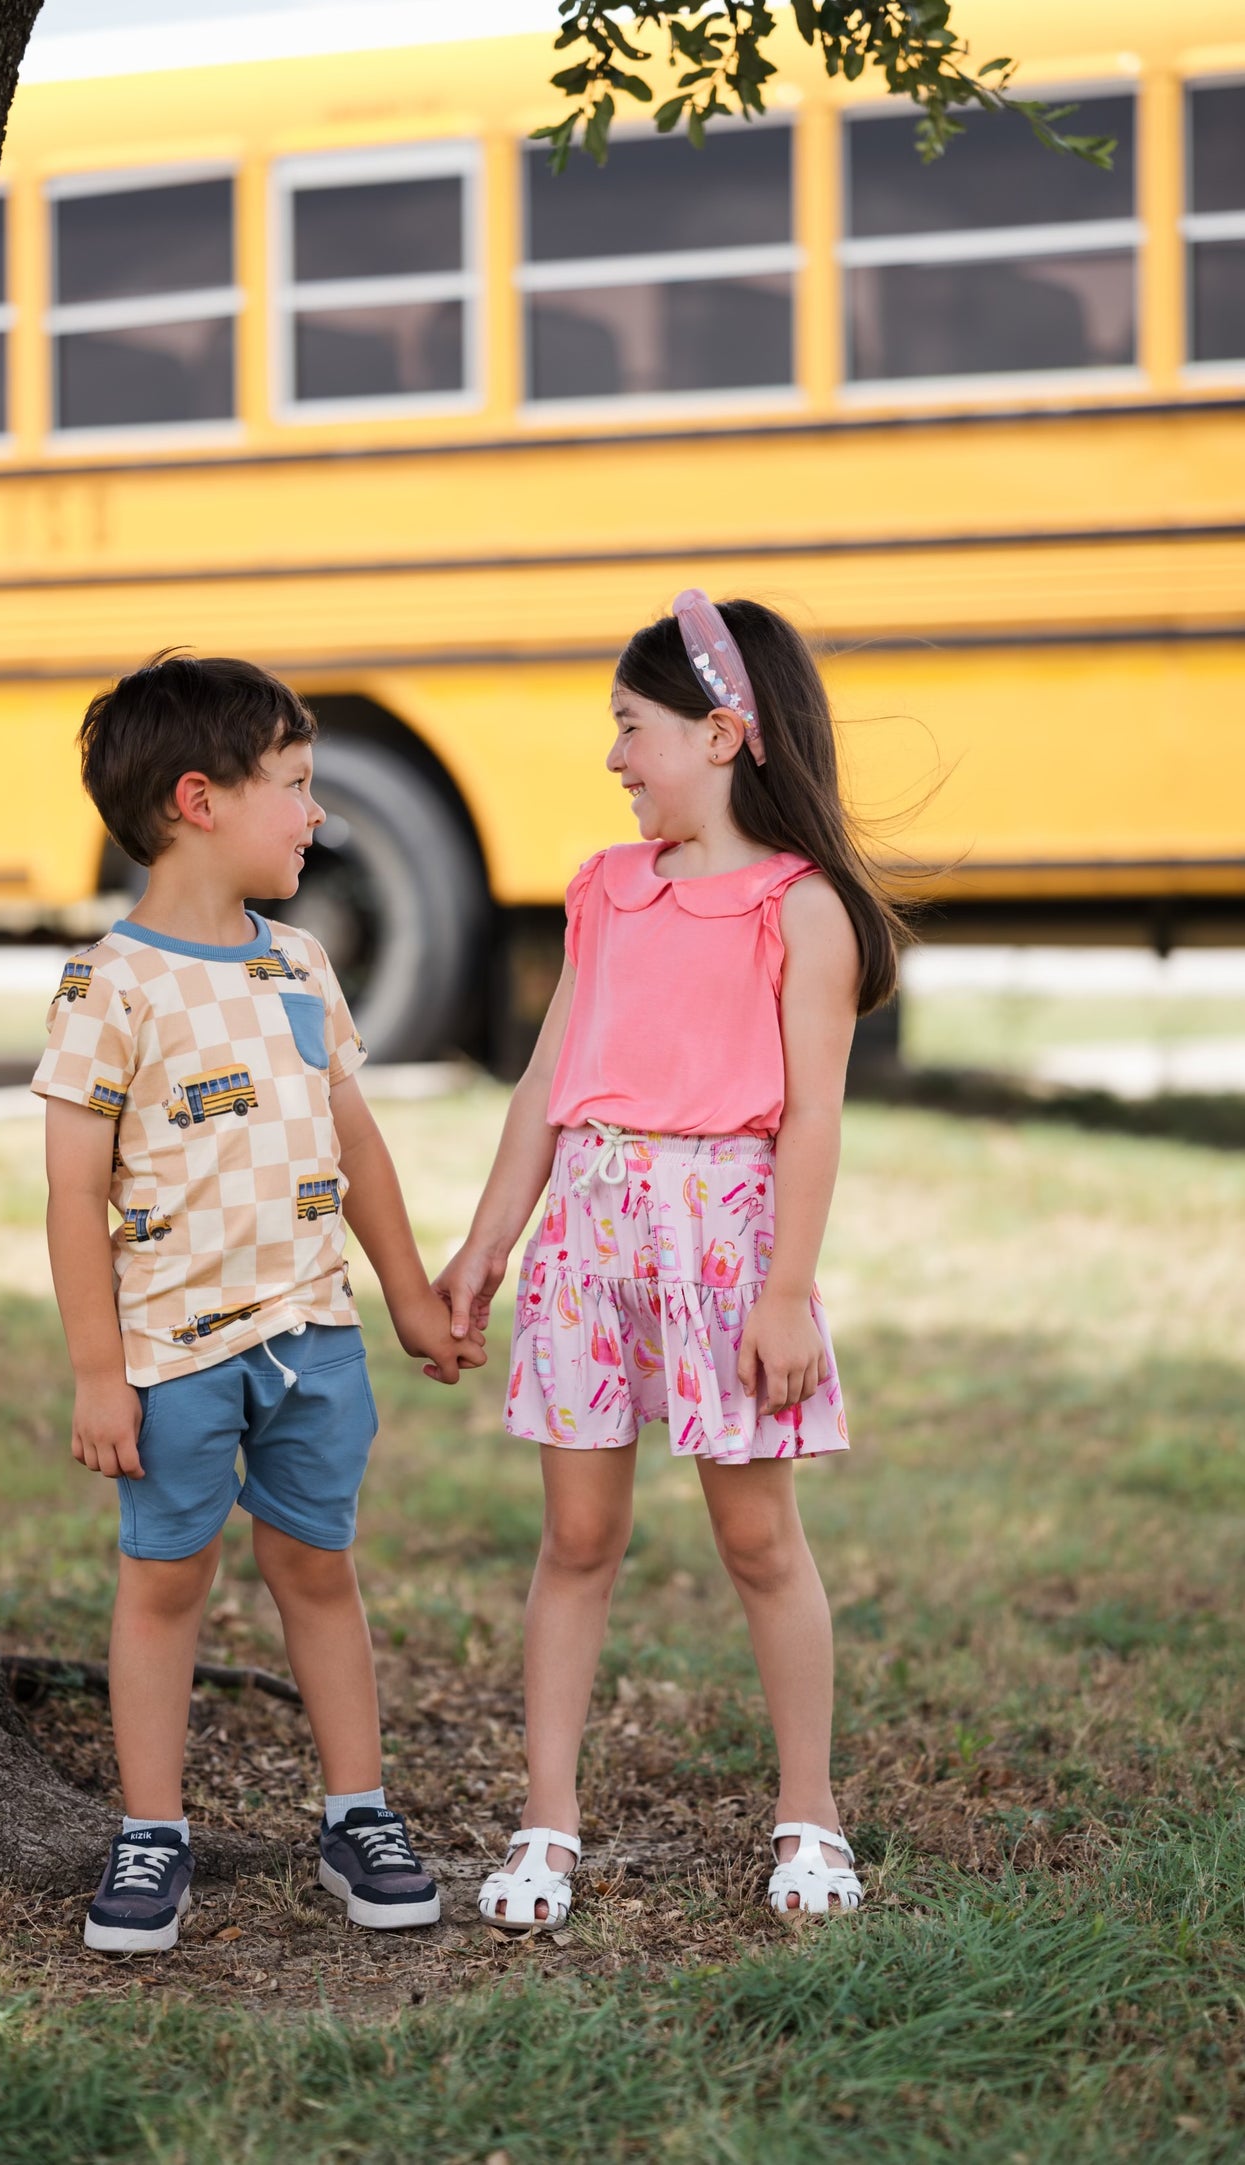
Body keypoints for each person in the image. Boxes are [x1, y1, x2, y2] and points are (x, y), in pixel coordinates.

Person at [435, 593, 904, 1931]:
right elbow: (545, 1081)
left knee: (757, 1537)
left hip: (724, 1251)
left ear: (719, 731)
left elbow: (810, 1113)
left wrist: (781, 1293)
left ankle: (808, 1811)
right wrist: (486, 1239)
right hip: (588, 1244)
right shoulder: (603, 891)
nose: (613, 758)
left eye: (628, 728)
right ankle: (547, 1816)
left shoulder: (797, 910)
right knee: (576, 1535)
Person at [33, 653, 484, 1954]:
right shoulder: (107, 984)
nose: (316, 816)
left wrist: (404, 1292)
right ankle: (151, 1830)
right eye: (292, 785)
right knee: (164, 1579)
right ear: (197, 800)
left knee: (315, 1566)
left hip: (311, 1341)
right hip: (171, 1355)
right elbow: (72, 1197)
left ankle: (358, 1812)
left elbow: (353, 1138)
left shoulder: (299, 964)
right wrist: (96, 1368)